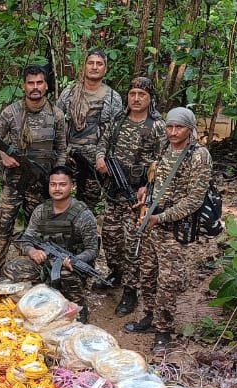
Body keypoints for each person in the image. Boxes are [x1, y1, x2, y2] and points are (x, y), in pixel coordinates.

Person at [124, 107, 212, 352]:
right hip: (152, 222)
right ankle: (150, 316)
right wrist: (145, 194)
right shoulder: (165, 147)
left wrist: (161, 217)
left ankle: (164, 330)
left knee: (168, 280)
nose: (173, 132)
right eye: (170, 127)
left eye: (179, 127)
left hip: (174, 228)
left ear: (190, 128)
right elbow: (157, 180)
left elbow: (194, 199)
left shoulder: (198, 156)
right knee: (148, 273)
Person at [97, 77, 166, 316]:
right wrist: (99, 159)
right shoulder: (118, 120)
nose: (136, 98)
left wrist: (148, 186)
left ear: (150, 98)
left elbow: (163, 162)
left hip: (138, 196)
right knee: (109, 237)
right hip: (114, 192)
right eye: (133, 93)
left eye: (142, 94)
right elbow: (103, 143)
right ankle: (115, 273)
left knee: (132, 244)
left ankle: (130, 291)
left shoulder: (157, 126)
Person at [0, 65, 67, 269]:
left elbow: (61, 150)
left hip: (42, 182)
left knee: (39, 229)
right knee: (4, 224)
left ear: (46, 86)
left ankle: (37, 269)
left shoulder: (56, 115)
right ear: (24, 86)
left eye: (39, 82)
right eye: (30, 83)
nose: (35, 87)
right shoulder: (11, 112)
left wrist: (57, 179)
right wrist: (3, 155)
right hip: (14, 181)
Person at [2, 166, 99, 320]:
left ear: (72, 186)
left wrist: (76, 260)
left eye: (62, 184)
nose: (57, 188)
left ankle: (79, 309)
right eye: (53, 184)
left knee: (65, 274)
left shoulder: (83, 215)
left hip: (71, 264)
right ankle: (40, 299)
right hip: (46, 260)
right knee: (13, 268)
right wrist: (32, 252)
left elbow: (92, 249)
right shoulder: (41, 210)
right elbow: (26, 238)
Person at [58, 50, 125, 207]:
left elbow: (116, 133)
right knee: (60, 200)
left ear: (105, 69)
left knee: (88, 203)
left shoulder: (112, 97)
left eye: (99, 64)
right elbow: (57, 122)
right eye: (91, 63)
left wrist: (105, 158)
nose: (94, 67)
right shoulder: (69, 93)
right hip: (68, 157)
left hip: (95, 161)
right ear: (84, 66)